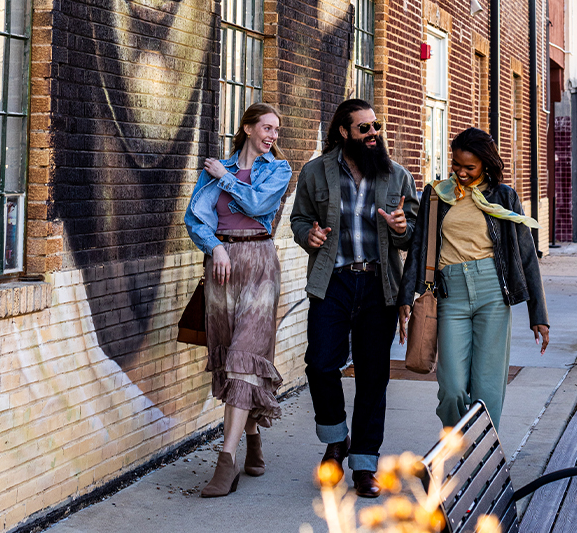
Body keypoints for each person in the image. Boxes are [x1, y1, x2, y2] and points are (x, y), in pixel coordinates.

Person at [290, 99, 419, 498]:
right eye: (363, 128)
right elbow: (299, 218)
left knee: (373, 375)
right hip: (333, 281)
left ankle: (364, 464)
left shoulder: (396, 175)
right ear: (344, 132)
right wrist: (306, 235)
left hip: (379, 285)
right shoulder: (315, 172)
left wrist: (401, 227)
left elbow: (412, 230)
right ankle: (336, 439)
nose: (373, 134)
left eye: (375, 126)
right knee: (320, 365)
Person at [398, 127, 549, 431]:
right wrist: (406, 297)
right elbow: (419, 248)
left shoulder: (504, 197)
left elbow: (526, 254)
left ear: (485, 164)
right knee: (452, 387)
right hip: (449, 293)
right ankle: (458, 446)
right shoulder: (436, 195)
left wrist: (538, 314)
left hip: (492, 292)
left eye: (470, 167)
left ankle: (481, 457)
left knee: (488, 387)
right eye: (457, 165)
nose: (462, 173)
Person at [184, 103, 292, 498]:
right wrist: (216, 248)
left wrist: (226, 178)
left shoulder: (277, 170)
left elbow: (259, 205)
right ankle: (251, 437)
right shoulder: (215, 168)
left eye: (276, 131)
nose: (272, 136)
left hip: (260, 264)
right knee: (231, 357)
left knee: (245, 355)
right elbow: (194, 218)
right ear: (247, 128)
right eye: (266, 128)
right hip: (222, 265)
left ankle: (225, 463)